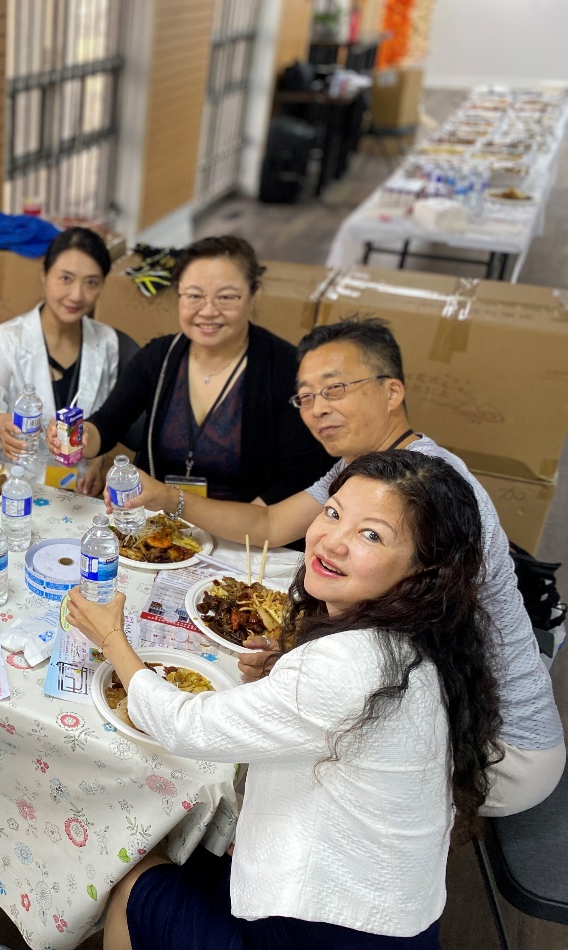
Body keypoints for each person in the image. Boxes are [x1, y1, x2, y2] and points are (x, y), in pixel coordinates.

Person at [109, 317, 564, 815]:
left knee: (258, 757)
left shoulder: (433, 487)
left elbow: (409, 651)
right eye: (305, 396)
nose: (317, 408)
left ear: (392, 391)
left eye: (336, 388)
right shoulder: (370, 470)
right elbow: (268, 524)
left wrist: (293, 669)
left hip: (499, 748)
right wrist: (164, 496)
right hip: (438, 700)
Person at [68, 450, 504, 950]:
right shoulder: (430, 645)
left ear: (424, 571)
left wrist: (113, 642)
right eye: (334, 512)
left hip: (324, 934)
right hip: (386, 920)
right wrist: (286, 671)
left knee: (132, 883)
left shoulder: (349, 665)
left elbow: (186, 726)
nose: (332, 540)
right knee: (195, 852)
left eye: (372, 535)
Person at [47, 235, 332, 503]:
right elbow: (107, 425)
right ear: (179, 296)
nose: (208, 311)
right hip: (158, 528)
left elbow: (302, 475)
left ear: (253, 295)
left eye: (226, 297)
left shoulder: (285, 368)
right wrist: (81, 438)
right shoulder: (159, 358)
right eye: (194, 296)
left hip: (244, 537)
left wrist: (249, 529)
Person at [0, 227, 118, 492]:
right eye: (66, 278)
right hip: (15, 486)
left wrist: (98, 460)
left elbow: (109, 417)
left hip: (77, 493)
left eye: (91, 282)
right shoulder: (6, 338)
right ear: (44, 275)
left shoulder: (106, 341)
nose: (77, 295)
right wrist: (1, 424)